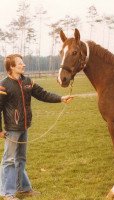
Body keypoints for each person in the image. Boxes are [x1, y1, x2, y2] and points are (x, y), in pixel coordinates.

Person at [0, 54, 73, 200]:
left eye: (23, 62)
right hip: (12, 129)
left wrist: (60, 98)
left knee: (21, 159)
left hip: (24, 126)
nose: (24, 65)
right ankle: (7, 193)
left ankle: (23, 188)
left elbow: (42, 94)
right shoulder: (4, 85)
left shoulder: (27, 81)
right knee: (9, 160)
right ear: (12, 67)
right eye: (20, 63)